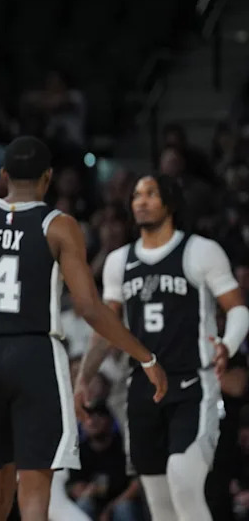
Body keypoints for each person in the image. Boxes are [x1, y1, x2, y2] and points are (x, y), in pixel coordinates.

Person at [0, 136, 167, 521]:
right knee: (33, 497)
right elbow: (90, 309)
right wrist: (145, 356)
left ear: (3, 175)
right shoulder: (58, 225)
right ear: (48, 178)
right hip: (34, 356)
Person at [77, 174, 249, 521]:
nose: (140, 201)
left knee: (184, 480)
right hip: (141, 389)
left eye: (150, 194)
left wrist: (227, 346)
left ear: (169, 202)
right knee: (159, 503)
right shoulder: (118, 261)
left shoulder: (200, 250)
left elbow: (238, 309)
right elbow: (106, 329)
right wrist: (84, 375)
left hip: (192, 384)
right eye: (136, 195)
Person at [67, 401, 143, 521]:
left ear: (110, 420)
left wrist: (109, 509)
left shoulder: (123, 447)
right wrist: (88, 491)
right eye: (87, 417)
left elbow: (136, 485)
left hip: (121, 503)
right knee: (82, 506)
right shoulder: (79, 452)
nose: (92, 422)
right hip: (94, 504)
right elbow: (74, 486)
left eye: (98, 416)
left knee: (124, 509)